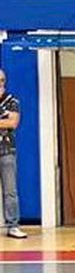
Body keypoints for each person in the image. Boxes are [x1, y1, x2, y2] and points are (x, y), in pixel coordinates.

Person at [0, 68, 20, 239]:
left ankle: (13, 225)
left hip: (6, 151)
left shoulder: (12, 101)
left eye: (2, 80)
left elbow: (12, 123)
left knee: (10, 190)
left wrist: (6, 122)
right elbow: (5, 121)